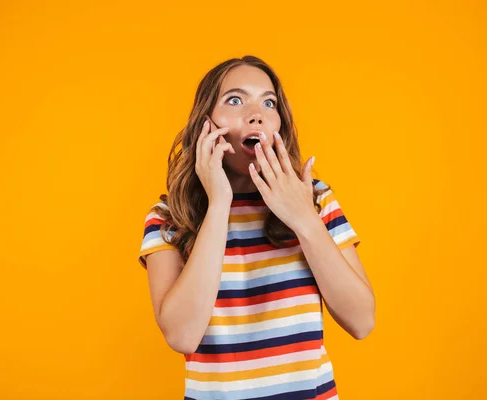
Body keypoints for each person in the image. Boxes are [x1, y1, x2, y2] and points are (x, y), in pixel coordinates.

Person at [138, 55, 375, 399]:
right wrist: (219, 203)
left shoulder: (316, 200)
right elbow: (182, 336)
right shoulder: (169, 216)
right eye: (235, 100)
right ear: (205, 123)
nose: (257, 113)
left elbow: (362, 322)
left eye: (268, 102)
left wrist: (304, 218)